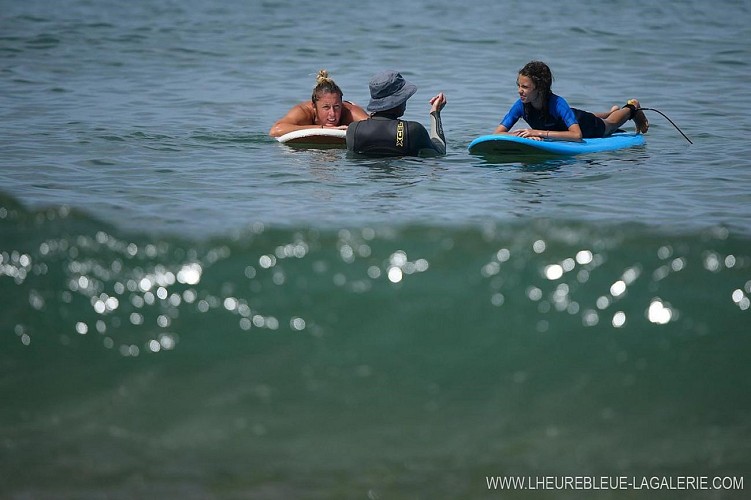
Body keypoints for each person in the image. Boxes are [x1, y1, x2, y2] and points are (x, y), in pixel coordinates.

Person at [493, 61, 649, 141]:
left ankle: (631, 108)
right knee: (573, 115)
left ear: (539, 88)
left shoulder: (557, 103)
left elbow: (577, 135)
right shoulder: (521, 105)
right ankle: (611, 111)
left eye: (525, 87)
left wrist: (537, 132)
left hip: (585, 124)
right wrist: (522, 135)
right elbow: (498, 133)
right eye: (518, 85)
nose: (520, 90)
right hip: (565, 119)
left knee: (609, 125)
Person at [346, 70, 447, 157]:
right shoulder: (413, 130)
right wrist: (435, 113)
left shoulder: (353, 130)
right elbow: (440, 151)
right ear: (398, 100)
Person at [269, 70, 368, 137]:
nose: (332, 113)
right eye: (326, 107)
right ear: (314, 106)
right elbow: (275, 131)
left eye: (337, 107)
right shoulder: (304, 111)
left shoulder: (349, 111)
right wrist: (323, 129)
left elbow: (377, 128)